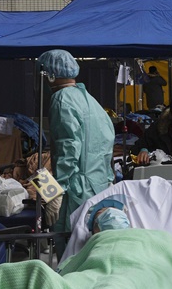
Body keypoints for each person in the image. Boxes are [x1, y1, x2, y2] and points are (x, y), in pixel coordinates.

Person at [38, 49, 116, 236]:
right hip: (98, 185)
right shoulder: (88, 99)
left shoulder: (61, 99)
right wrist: (108, 178)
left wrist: (56, 191)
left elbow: (68, 147)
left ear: (50, 75)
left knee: (70, 244)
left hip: (75, 190)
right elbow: (106, 143)